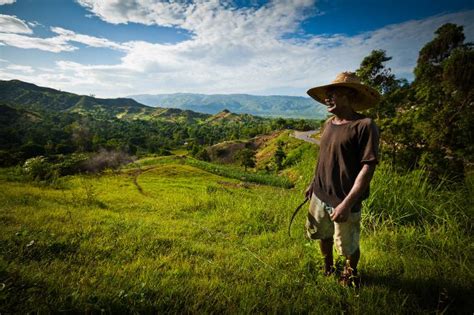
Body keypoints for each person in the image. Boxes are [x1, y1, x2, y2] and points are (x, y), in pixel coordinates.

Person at [305, 72, 380, 286]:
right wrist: (313, 183)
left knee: (348, 245)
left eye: (333, 93)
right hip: (320, 194)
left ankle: (350, 273)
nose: (327, 98)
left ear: (348, 95)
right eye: (327, 94)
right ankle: (328, 267)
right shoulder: (329, 123)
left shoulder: (364, 125)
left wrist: (347, 203)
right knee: (322, 235)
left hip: (344, 199)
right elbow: (323, 157)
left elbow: (368, 167)